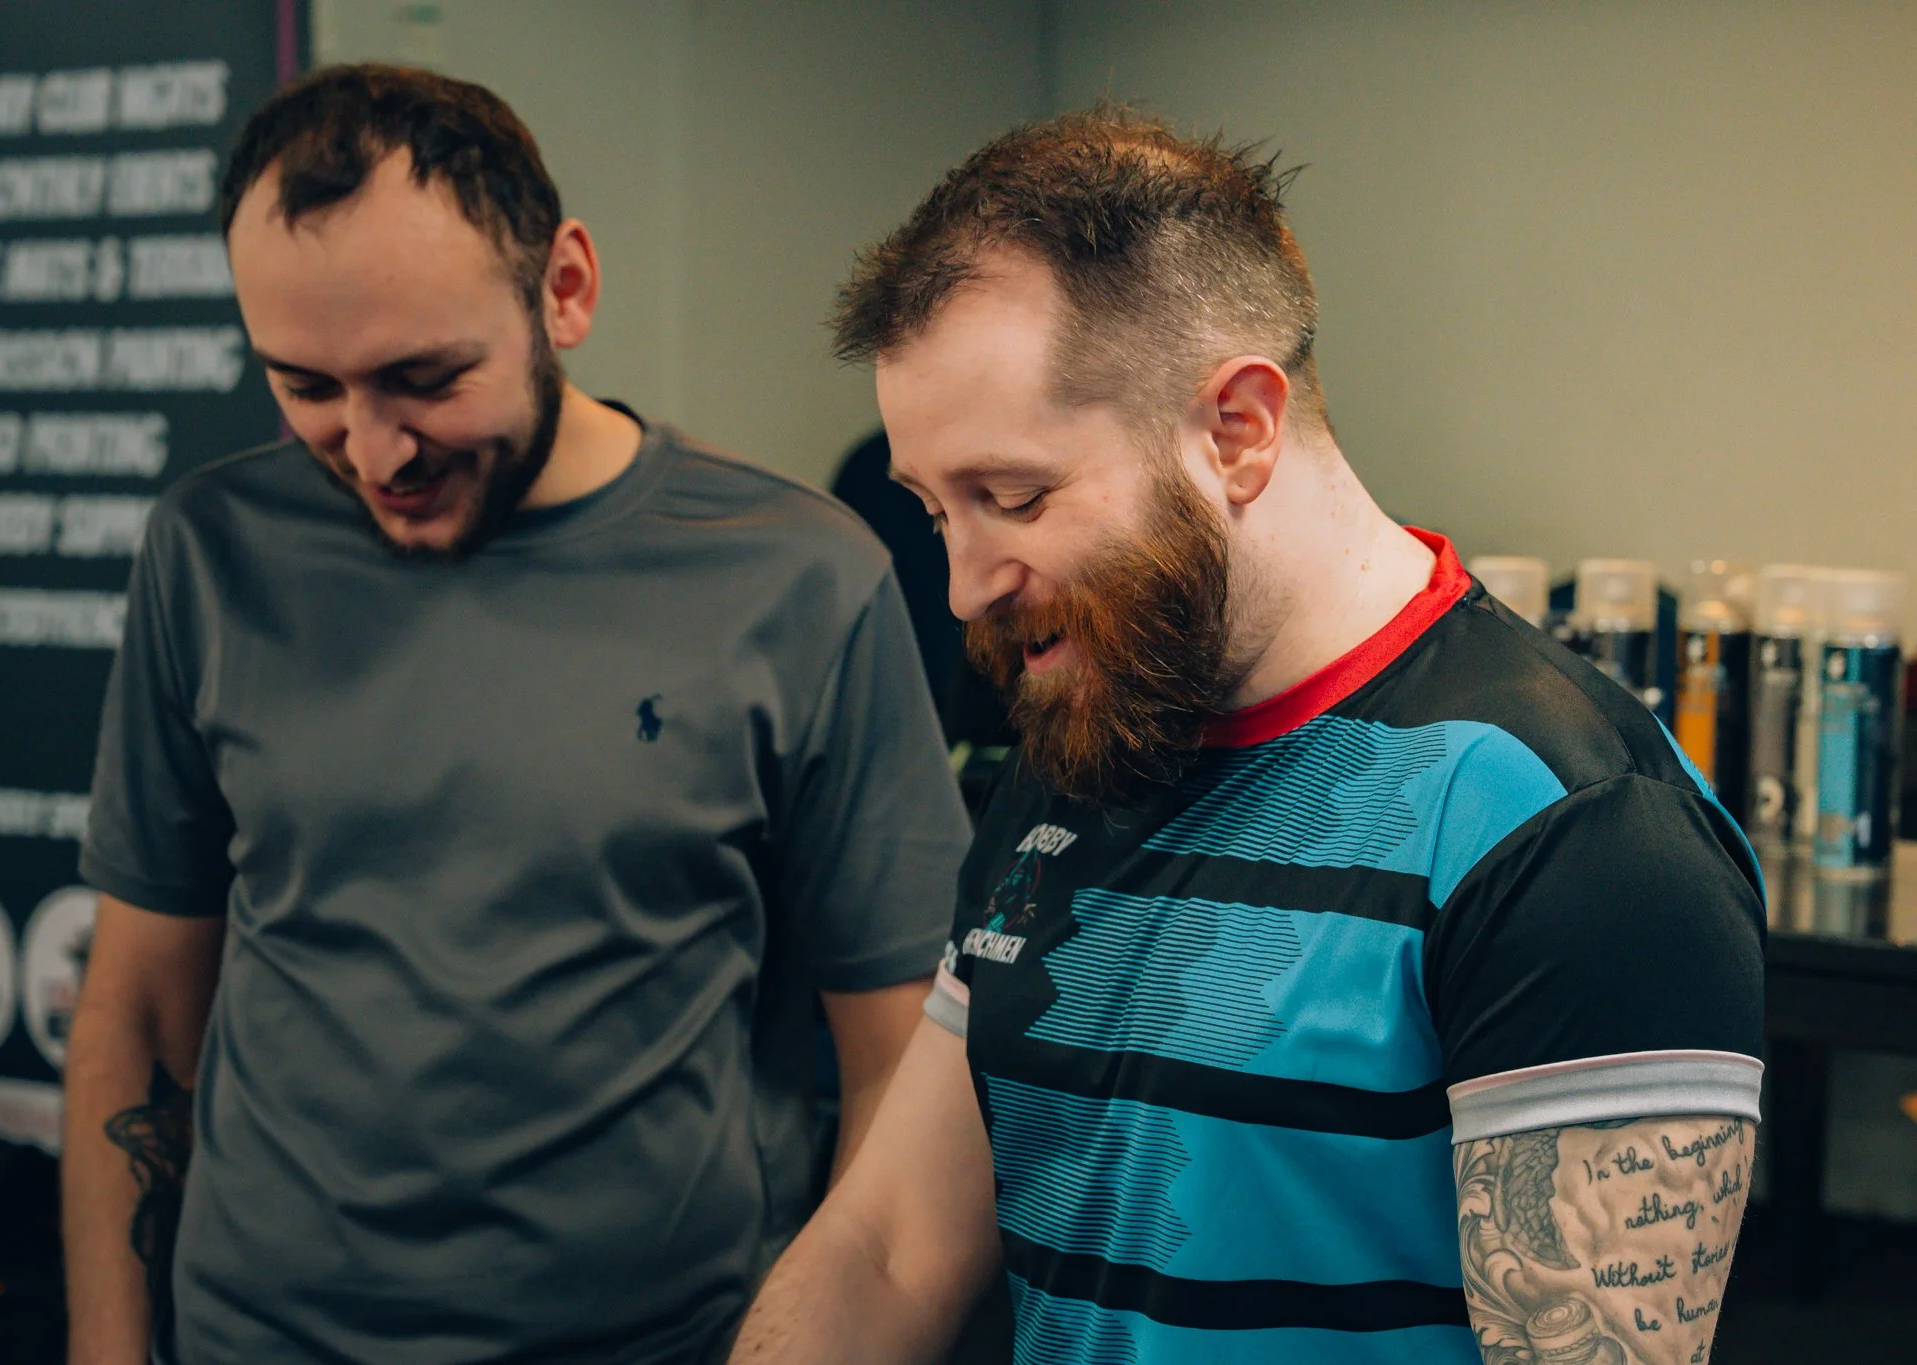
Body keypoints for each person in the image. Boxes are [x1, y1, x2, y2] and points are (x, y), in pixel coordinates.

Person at [730, 109, 1765, 1365]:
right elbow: (891, 1242)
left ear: (1236, 430)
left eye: (1013, 498)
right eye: (934, 509)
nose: (962, 588)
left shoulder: (1568, 832)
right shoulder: (1085, 739)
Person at [61, 65, 969, 1365]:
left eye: (425, 377)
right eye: (306, 386)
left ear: (566, 289)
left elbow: (897, 1071)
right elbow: (140, 1011)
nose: (375, 451)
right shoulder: (211, 549)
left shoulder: (801, 578)